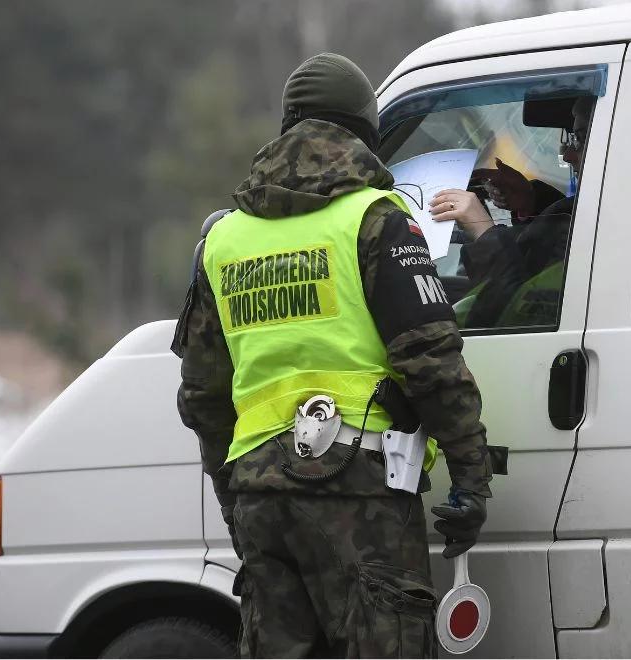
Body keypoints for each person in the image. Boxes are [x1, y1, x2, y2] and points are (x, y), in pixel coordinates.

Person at [173, 53, 494, 658]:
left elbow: (203, 395)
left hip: (262, 501)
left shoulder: (223, 240)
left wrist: (234, 494)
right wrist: (471, 477)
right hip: (361, 494)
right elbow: (432, 360)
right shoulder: (374, 219)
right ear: (363, 132)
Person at [429, 96, 595, 328]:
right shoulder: (602, 214)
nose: (567, 155)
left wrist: (483, 232)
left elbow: (511, 313)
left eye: (580, 139)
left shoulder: (612, 231)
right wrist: (530, 201)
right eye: (570, 139)